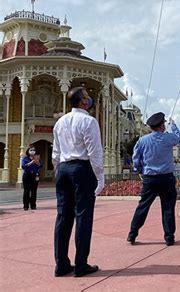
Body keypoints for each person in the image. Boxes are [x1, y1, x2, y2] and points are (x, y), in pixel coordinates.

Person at [52, 87, 104, 277]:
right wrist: (100, 176)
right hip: (81, 169)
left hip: (64, 169)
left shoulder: (60, 122)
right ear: (83, 101)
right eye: (87, 97)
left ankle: (61, 264)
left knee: (63, 217)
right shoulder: (89, 122)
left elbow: (55, 153)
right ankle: (81, 264)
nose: (89, 100)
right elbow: (94, 153)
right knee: (83, 216)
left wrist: (59, 171)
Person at [127, 112, 180, 246]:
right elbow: (179, 138)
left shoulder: (143, 140)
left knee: (143, 206)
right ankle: (169, 237)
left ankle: (132, 234)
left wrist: (139, 170)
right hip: (166, 178)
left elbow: (136, 158)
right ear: (162, 125)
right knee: (168, 207)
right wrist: (173, 125)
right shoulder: (168, 138)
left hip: (150, 178)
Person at [21, 145, 42, 210]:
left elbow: (40, 165)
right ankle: (26, 205)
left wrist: (37, 161)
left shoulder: (37, 158)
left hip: (35, 175)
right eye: (31, 150)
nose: (33, 151)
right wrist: (31, 162)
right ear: (28, 151)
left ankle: (33, 205)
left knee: (34, 191)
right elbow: (23, 166)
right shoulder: (25, 158)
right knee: (26, 191)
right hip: (27, 175)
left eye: (34, 150)